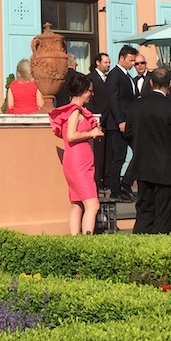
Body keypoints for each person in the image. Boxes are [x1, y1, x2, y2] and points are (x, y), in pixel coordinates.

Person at [123, 66, 171, 234]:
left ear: (151, 83)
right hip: (166, 168)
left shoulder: (136, 106)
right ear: (170, 84)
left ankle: (138, 249)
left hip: (143, 166)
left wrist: (141, 144)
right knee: (164, 216)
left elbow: (127, 133)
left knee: (144, 211)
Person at [48, 69, 104, 235]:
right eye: (89, 91)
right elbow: (71, 136)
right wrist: (91, 133)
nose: (91, 95)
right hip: (79, 162)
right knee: (93, 205)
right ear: (82, 91)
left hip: (77, 161)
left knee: (77, 203)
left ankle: (75, 240)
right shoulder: (75, 112)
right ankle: (86, 241)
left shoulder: (72, 111)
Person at [106, 45, 140, 200]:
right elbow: (113, 99)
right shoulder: (115, 75)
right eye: (131, 60)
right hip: (119, 123)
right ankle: (115, 189)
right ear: (122, 58)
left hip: (129, 122)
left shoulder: (127, 76)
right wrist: (120, 121)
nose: (133, 63)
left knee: (139, 152)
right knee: (119, 156)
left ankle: (125, 184)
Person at [87, 53, 111, 194]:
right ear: (97, 63)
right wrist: (94, 120)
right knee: (98, 152)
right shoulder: (91, 78)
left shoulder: (108, 79)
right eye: (105, 62)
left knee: (108, 151)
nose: (108, 65)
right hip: (97, 119)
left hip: (109, 120)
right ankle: (97, 180)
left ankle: (105, 179)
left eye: (109, 62)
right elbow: (90, 101)